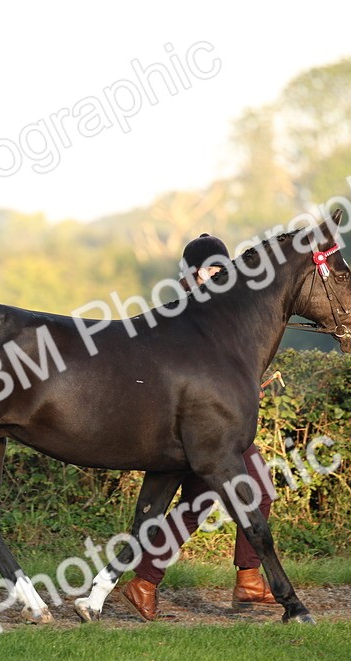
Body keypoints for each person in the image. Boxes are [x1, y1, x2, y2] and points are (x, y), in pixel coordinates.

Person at [117, 233, 277, 622]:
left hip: (214, 425)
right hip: (192, 428)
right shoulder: (179, 314)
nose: (217, 277)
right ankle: (247, 580)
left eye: (223, 270)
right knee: (254, 492)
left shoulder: (228, 314)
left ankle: (146, 584)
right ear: (189, 276)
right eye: (210, 271)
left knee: (202, 502)